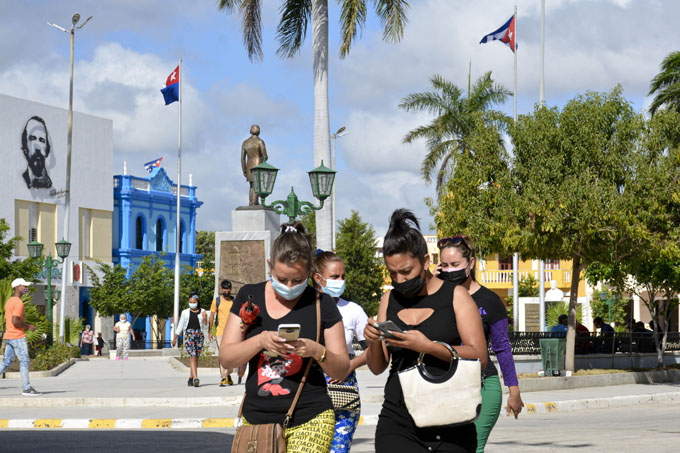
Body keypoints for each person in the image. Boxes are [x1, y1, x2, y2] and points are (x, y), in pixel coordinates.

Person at [219, 222, 349, 452]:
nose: (289, 287)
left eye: (298, 281)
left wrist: (316, 350)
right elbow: (227, 358)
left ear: (310, 272)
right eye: (281, 279)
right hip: (256, 419)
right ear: (270, 266)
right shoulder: (249, 296)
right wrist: (259, 341)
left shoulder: (323, 304)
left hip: (311, 416)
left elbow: (340, 370)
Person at [364, 209, 487, 453]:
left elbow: (479, 357)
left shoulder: (456, 297)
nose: (399, 280)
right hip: (398, 420)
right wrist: (373, 340)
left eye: (406, 271)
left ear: (426, 261)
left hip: (451, 420)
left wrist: (429, 347)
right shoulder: (388, 299)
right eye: (392, 273)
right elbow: (378, 367)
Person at [436, 235, 523, 452]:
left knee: (473, 447)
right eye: (444, 265)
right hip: (445, 385)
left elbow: (502, 347)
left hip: (484, 385)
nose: (449, 270)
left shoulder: (491, 301)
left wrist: (514, 392)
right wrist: (433, 286)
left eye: (455, 265)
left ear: (471, 263)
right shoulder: (437, 297)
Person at [312, 250, 369, 453]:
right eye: (335, 277)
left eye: (343, 276)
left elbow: (372, 352)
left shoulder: (354, 310)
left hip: (343, 389)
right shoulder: (305, 307)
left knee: (338, 449)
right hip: (310, 388)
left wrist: (349, 367)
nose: (341, 281)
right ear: (318, 279)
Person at [0, 278, 41, 396]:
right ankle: (27, 388)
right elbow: (15, 321)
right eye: (24, 286)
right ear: (17, 287)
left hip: (8, 335)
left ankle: (27, 388)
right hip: (17, 336)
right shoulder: (18, 302)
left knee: (7, 362)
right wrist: (29, 326)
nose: (26, 288)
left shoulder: (9, 301)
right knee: (24, 361)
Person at [173, 295, 209, 387]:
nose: (192, 304)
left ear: (197, 302)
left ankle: (191, 377)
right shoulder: (185, 312)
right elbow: (180, 325)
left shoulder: (203, 311)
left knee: (196, 357)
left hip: (199, 335)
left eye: (194, 302)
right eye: (190, 302)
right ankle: (196, 378)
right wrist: (175, 338)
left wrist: (205, 318)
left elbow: (205, 326)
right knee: (192, 355)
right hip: (189, 335)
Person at [209, 279, 236, 386]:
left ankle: (228, 375)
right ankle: (223, 377)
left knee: (230, 355)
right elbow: (211, 316)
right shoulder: (216, 301)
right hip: (220, 331)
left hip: (232, 332)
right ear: (221, 289)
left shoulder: (234, 301)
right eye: (224, 289)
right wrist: (210, 331)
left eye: (228, 289)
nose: (226, 291)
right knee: (223, 353)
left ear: (230, 289)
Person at [21, 116, 52, 189]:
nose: (37, 147)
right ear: (25, 146)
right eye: (32, 138)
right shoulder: (24, 178)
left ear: (47, 149)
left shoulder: (49, 183)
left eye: (42, 141)